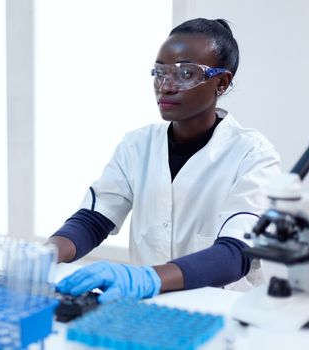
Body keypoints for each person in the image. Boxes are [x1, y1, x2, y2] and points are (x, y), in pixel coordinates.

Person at [47, 18, 281, 304]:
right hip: (148, 308)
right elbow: (94, 220)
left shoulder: (253, 155)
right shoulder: (137, 145)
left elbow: (236, 254)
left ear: (221, 82)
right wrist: (45, 254)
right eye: (160, 72)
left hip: (222, 313)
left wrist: (146, 278)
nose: (166, 86)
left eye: (186, 73)